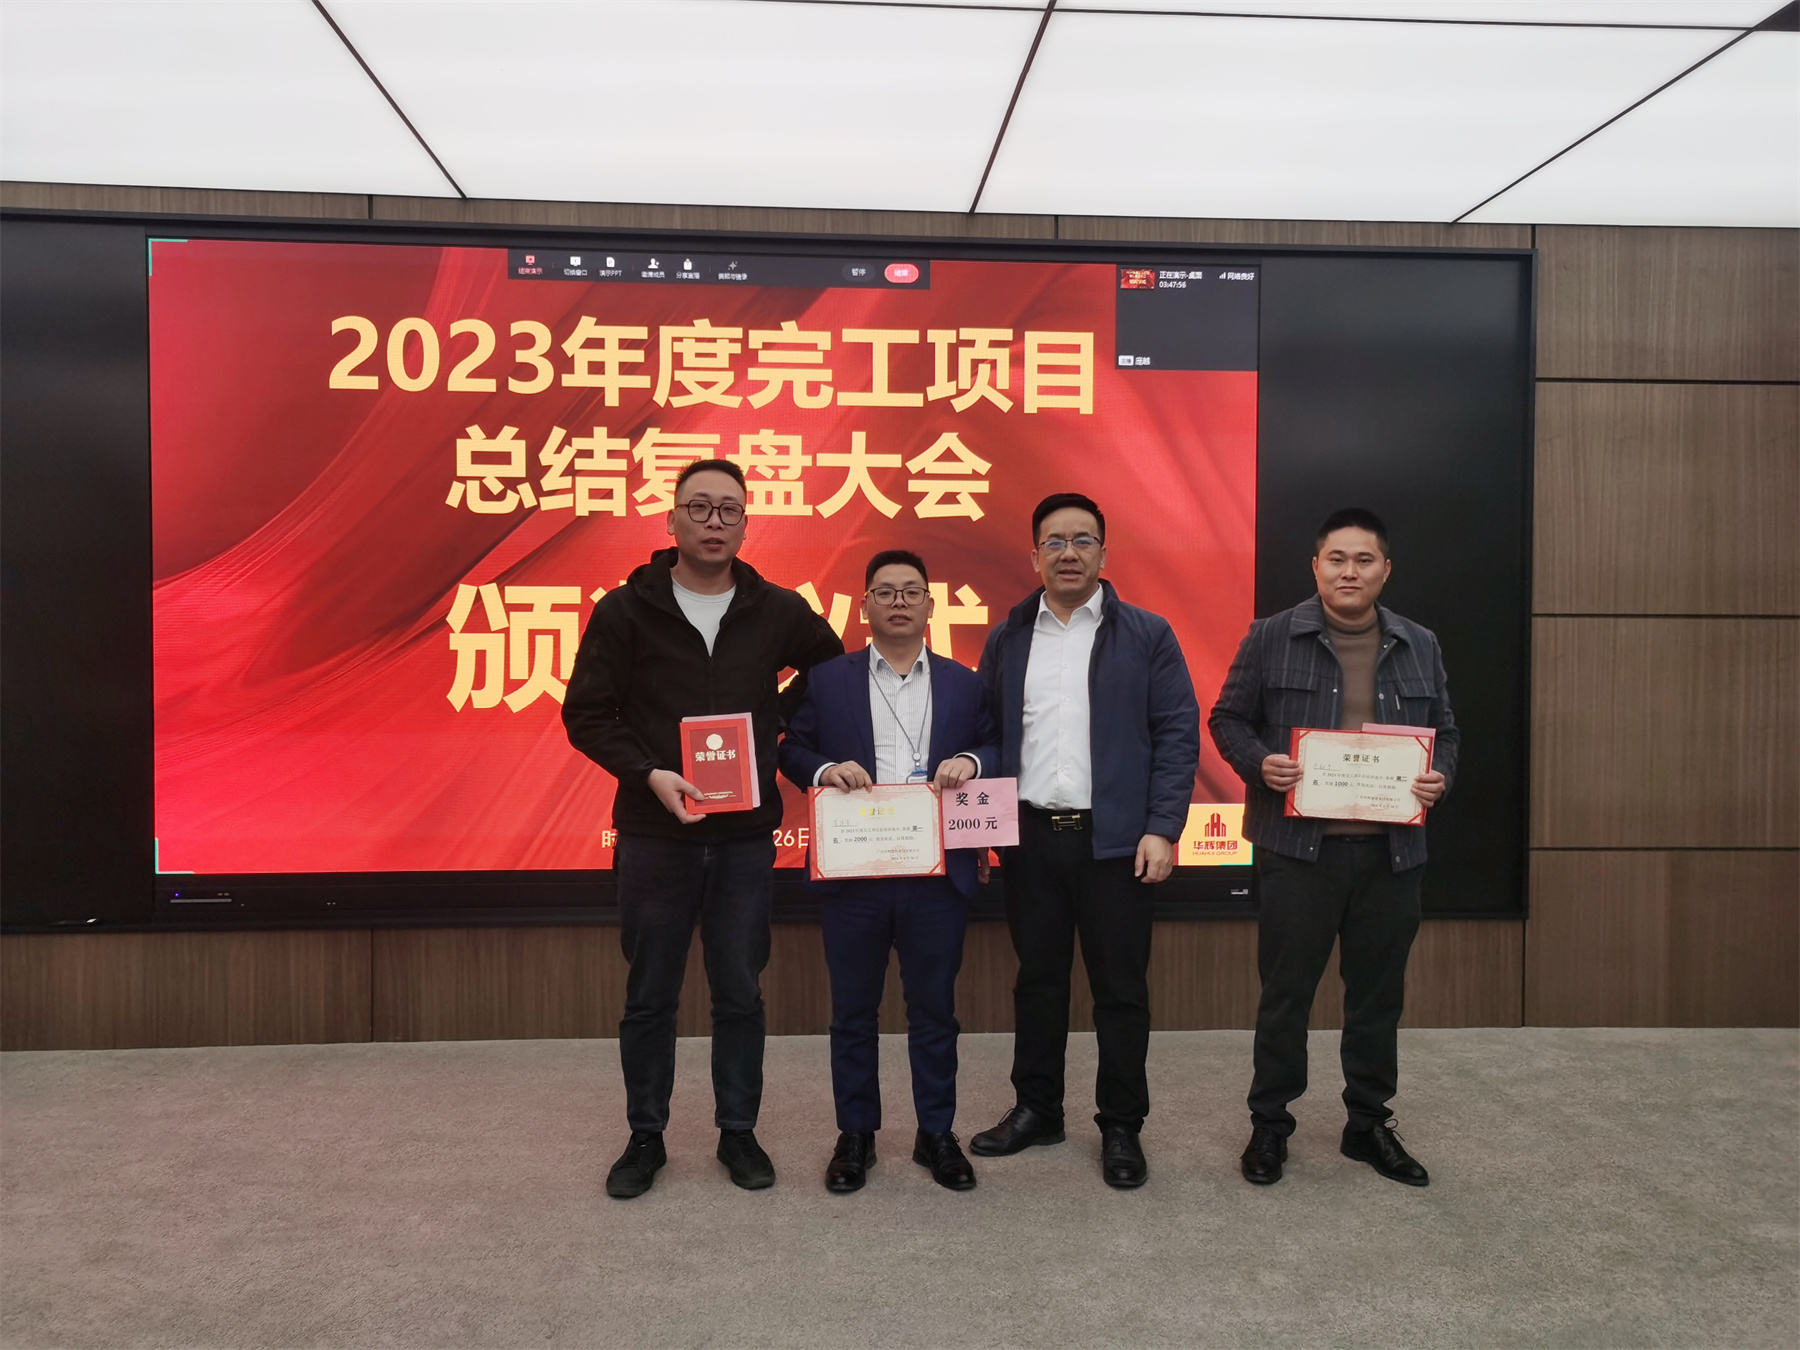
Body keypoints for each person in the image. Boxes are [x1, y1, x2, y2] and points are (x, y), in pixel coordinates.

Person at [563, 458, 843, 1200]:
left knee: (740, 992)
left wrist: (772, 726)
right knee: (650, 994)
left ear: (746, 523)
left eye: (729, 510)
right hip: (656, 834)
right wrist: (648, 771)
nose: (715, 522)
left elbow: (830, 668)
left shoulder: (777, 609)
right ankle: (645, 1135)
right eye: (699, 508)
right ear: (671, 520)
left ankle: (737, 1130)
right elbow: (586, 714)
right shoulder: (625, 611)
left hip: (745, 836)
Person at [1208, 507, 1458, 1188]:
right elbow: (1227, 718)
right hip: (1299, 853)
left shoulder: (1419, 642)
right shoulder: (1271, 635)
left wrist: (1440, 776)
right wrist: (1259, 763)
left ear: (1386, 570)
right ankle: (1270, 1124)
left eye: (1364, 560)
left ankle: (1367, 1124)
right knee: (1285, 996)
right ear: (1316, 566)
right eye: (1337, 559)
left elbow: (1446, 732)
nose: (1351, 571)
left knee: (1377, 998)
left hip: (1391, 858)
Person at [968, 492, 1200, 1189]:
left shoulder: (1148, 634)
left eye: (1083, 540)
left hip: (1116, 843)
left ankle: (1121, 1125)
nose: (1068, 553)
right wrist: (982, 826)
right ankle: (1037, 1109)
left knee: (1120, 989)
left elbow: (1176, 734)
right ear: (1033, 555)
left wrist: (1162, 827)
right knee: (1037, 982)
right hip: (1032, 839)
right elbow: (987, 734)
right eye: (1055, 541)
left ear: (1103, 552)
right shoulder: (1009, 636)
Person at [778, 550, 1002, 1194]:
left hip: (937, 874)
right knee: (853, 1011)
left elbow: (997, 745)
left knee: (934, 1011)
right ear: (865, 606)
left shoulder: (965, 682)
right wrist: (824, 771)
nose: (898, 602)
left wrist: (971, 762)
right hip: (855, 870)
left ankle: (937, 1133)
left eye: (911, 592)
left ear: (930, 605)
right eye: (885, 592)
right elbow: (790, 747)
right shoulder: (828, 679)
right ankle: (856, 1135)